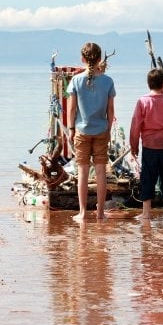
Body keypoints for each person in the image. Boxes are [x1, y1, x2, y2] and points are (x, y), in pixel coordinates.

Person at [67, 42, 116, 220]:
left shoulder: (76, 80)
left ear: (82, 59)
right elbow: (110, 110)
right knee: (101, 171)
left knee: (83, 172)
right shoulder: (107, 81)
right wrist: (109, 129)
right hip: (102, 130)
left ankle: (82, 212)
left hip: (82, 130)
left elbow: (72, 110)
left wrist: (71, 129)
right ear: (100, 58)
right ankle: (100, 213)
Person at [130, 68, 163, 220]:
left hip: (149, 147)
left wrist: (134, 146)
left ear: (149, 84)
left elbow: (135, 126)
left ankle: (146, 213)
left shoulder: (143, 102)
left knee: (148, 178)